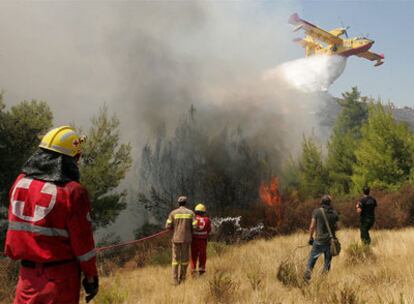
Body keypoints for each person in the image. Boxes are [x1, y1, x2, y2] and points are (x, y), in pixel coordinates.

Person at [5, 126, 99, 304]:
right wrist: (91, 276)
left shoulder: (19, 182)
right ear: (74, 158)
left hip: (26, 279)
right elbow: (83, 244)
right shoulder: (73, 192)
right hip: (59, 281)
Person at [304, 195, 339, 282]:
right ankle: (323, 280)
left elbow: (312, 226)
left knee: (312, 259)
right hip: (330, 242)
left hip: (319, 241)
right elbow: (337, 227)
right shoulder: (334, 213)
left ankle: (308, 272)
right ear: (330, 203)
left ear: (321, 202)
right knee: (327, 263)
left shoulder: (317, 212)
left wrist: (310, 237)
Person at [165, 196, 197, 285]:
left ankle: (175, 281)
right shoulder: (191, 213)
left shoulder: (173, 213)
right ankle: (182, 279)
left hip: (176, 239)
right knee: (184, 260)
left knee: (175, 260)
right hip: (186, 240)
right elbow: (195, 227)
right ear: (186, 203)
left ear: (178, 203)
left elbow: (167, 226)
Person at [190, 203, 211, 275]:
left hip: (193, 241)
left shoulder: (193, 219)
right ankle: (201, 271)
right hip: (202, 241)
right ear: (203, 212)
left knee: (193, 256)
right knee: (202, 256)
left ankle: (193, 271)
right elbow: (209, 230)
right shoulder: (207, 220)